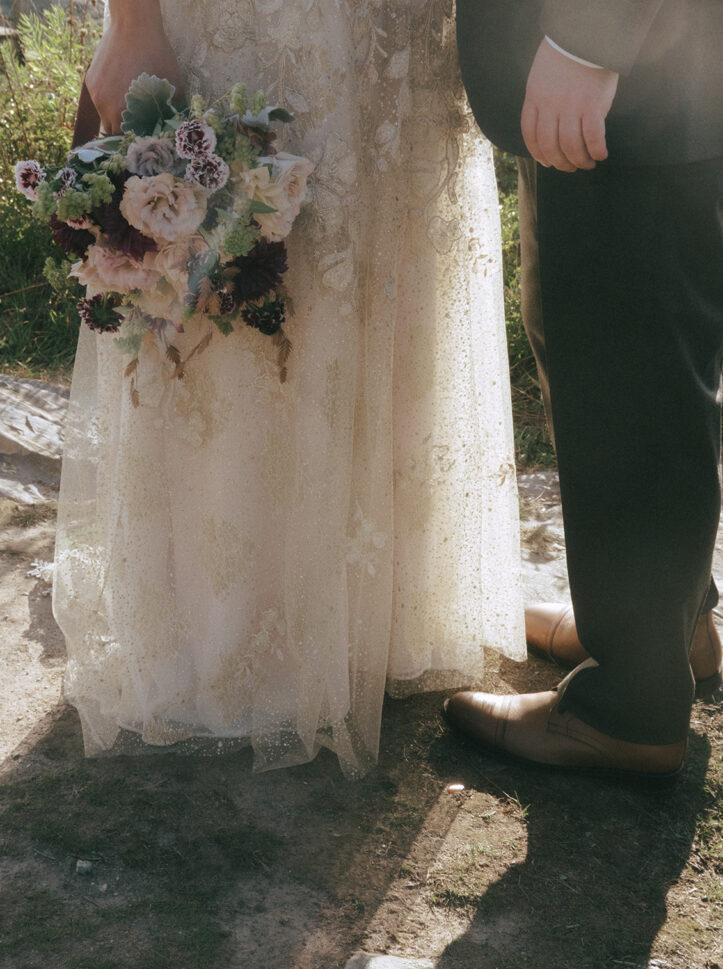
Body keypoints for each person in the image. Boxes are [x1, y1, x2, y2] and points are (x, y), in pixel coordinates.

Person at [52, 0, 526, 775]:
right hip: (258, 20)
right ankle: (236, 629)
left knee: (378, 268)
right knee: (256, 286)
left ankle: (380, 615)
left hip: (398, 30)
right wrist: (130, 21)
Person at [447, 0, 723, 778]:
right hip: (627, 64)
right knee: (596, 342)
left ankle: (629, 707)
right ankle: (669, 632)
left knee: (628, 368)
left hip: (627, 56)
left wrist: (590, 39)